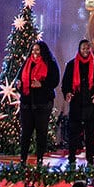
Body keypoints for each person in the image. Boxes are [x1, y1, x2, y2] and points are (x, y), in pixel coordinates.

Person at [61, 39, 94, 171]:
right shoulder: (71, 65)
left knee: (90, 136)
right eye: (83, 48)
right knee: (73, 134)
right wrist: (67, 93)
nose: (85, 50)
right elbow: (65, 84)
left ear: (90, 49)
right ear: (79, 50)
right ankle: (72, 160)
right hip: (76, 104)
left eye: (87, 48)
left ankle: (90, 161)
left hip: (89, 105)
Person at [19, 39, 60, 168]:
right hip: (27, 103)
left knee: (41, 133)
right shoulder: (27, 63)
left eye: (37, 50)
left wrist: (41, 84)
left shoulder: (50, 63)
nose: (35, 52)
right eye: (33, 50)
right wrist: (18, 85)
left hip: (43, 103)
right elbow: (19, 78)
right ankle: (23, 160)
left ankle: (40, 159)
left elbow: (55, 81)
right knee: (26, 132)